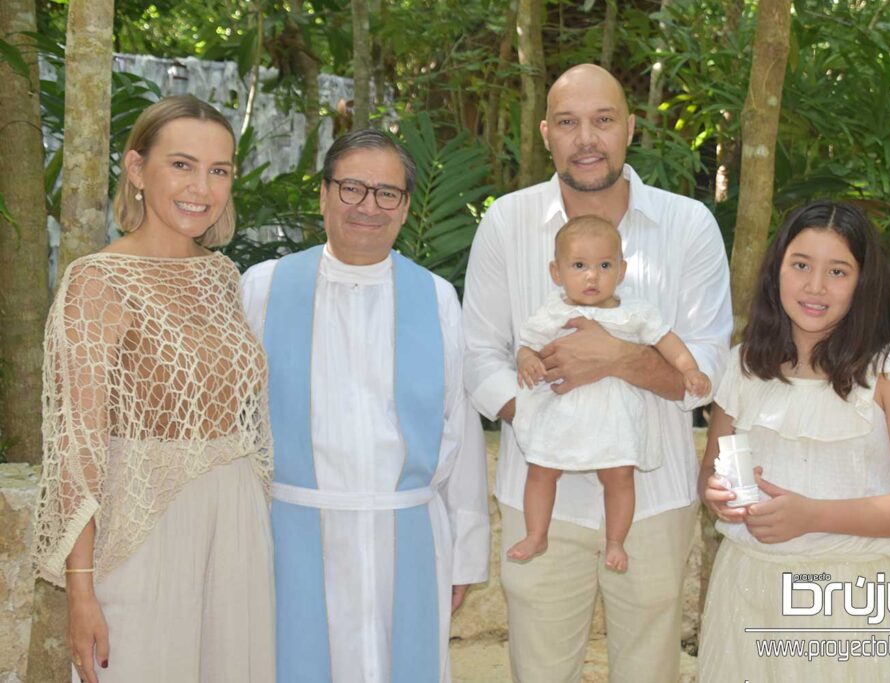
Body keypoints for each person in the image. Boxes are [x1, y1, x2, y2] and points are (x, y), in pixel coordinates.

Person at [463, 64, 732, 682]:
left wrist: (615, 358)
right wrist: (548, 422)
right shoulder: (505, 222)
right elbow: (478, 357)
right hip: (541, 500)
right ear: (546, 134)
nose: (587, 138)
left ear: (630, 128)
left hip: (652, 495)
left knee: (648, 670)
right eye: (569, 123)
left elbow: (706, 372)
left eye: (603, 120)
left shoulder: (687, 225)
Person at [32, 95, 274, 683]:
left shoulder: (220, 275)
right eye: (182, 165)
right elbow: (76, 448)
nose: (202, 187)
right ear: (138, 170)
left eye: (219, 170)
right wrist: (81, 591)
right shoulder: (97, 281)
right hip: (142, 537)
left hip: (237, 523)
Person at [240, 129, 490, 683]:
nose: (368, 206)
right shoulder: (262, 287)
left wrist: (466, 552)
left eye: (387, 193)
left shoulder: (435, 297)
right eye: (352, 188)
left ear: (403, 208)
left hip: (407, 533)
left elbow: (460, 431)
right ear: (324, 194)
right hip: (291, 532)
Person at [698, 200, 890, 681]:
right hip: (746, 591)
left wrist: (813, 515)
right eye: (800, 265)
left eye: (838, 271)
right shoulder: (745, 362)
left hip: (849, 600)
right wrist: (719, 496)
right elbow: (712, 471)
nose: (815, 287)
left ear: (864, 282)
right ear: (777, 270)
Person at [508, 215, 710, 572]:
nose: (592, 275)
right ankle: (536, 533)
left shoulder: (635, 312)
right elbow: (527, 345)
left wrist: (689, 369)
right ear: (556, 272)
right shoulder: (553, 312)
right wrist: (526, 361)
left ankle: (616, 540)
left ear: (621, 270)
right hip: (561, 416)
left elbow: (667, 341)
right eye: (579, 265)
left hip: (614, 417)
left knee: (619, 476)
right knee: (541, 469)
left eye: (604, 265)